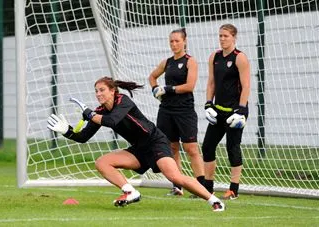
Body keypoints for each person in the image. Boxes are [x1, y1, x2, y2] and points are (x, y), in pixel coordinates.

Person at [47, 76, 225, 211]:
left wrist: (90, 114)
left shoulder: (123, 100)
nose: (98, 94)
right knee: (102, 162)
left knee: (175, 177)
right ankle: (131, 192)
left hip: (155, 142)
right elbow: (83, 137)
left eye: (102, 90)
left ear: (112, 91)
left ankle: (214, 200)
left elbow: (113, 121)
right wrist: (67, 131)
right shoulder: (99, 112)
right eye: (96, 91)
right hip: (139, 149)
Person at [149, 28, 205, 196]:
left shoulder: (190, 61)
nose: (174, 44)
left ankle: (202, 187)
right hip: (166, 110)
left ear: (184, 41)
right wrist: (155, 90)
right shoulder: (167, 62)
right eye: (171, 41)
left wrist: (167, 89)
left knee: (191, 148)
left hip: (184, 110)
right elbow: (152, 77)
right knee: (171, 147)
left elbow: (189, 86)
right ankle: (177, 185)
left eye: (177, 41)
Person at [202, 24, 251, 200]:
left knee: (233, 147)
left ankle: (233, 189)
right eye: (220, 36)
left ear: (234, 37)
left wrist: (241, 110)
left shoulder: (240, 58)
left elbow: (246, 86)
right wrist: (208, 104)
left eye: (226, 36)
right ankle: (208, 188)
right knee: (207, 146)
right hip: (219, 110)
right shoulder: (214, 57)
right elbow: (211, 83)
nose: (222, 39)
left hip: (236, 111)